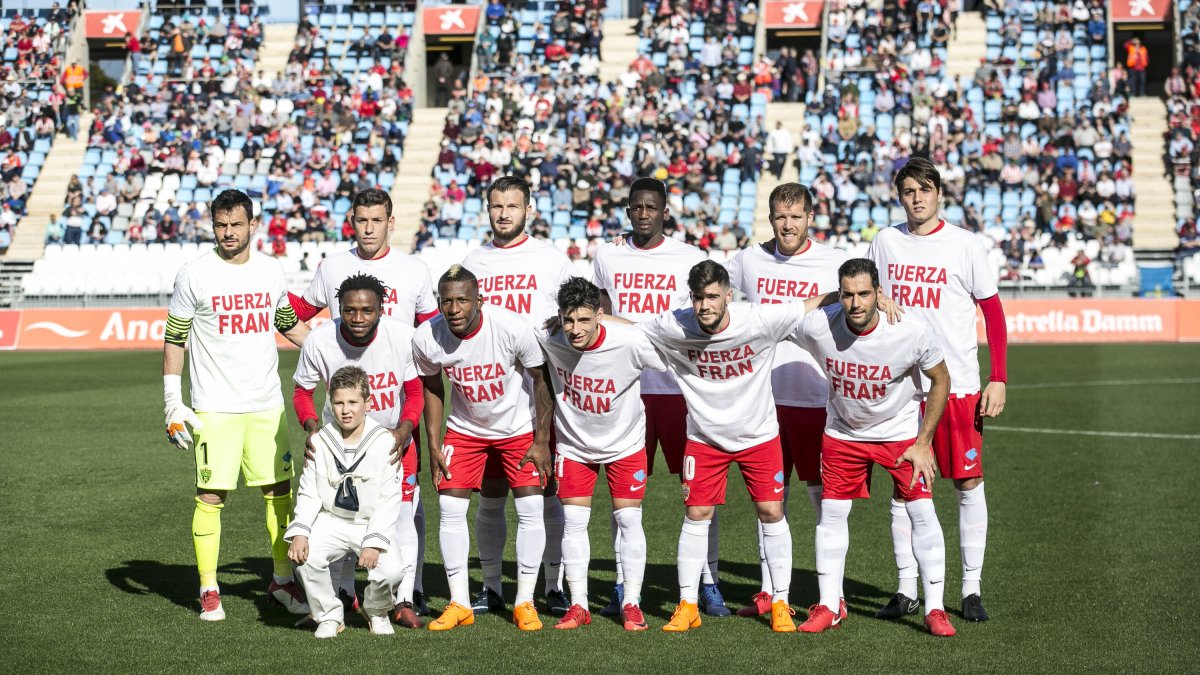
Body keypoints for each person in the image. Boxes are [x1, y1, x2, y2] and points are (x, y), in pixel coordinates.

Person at [639, 261, 834, 633]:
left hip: (758, 436)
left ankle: (779, 602)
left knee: (771, 511)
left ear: (729, 295)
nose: (704, 306)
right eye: (697, 298)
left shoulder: (759, 319)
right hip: (704, 438)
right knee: (696, 515)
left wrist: (872, 297)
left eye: (712, 297)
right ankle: (687, 605)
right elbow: (630, 329)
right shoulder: (674, 325)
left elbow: (811, 303)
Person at [867, 158, 1008, 622]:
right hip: (902, 390)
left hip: (960, 385)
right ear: (899, 196)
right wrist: (877, 297)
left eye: (924, 190)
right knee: (905, 488)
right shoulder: (885, 242)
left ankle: (970, 589)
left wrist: (999, 376)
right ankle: (907, 587)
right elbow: (868, 294)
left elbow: (993, 312)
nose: (917, 198)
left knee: (968, 483)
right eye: (908, 191)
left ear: (939, 194)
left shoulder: (964, 245)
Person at [161, 189, 310, 621]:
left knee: (279, 493)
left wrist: (330, 352)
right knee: (210, 495)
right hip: (215, 407)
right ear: (213, 226)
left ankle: (282, 581)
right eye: (221, 225)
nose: (228, 233)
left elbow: (286, 324)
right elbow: (175, 338)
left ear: (252, 225)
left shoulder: (270, 270)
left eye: (236, 225)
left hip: (267, 404)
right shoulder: (194, 273)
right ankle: (209, 587)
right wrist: (173, 402)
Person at [289, 188, 438, 616]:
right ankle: (342, 592)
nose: (369, 228)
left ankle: (408, 593)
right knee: (339, 512)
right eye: (362, 220)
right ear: (351, 221)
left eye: (378, 220)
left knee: (406, 511)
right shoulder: (333, 269)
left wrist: (411, 425)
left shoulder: (412, 273)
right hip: (340, 436)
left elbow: (427, 343)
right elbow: (293, 319)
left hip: (394, 430)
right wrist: (309, 345)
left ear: (391, 222)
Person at [791, 258, 956, 637]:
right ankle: (830, 605)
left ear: (880, 293)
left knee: (922, 512)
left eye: (864, 293)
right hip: (843, 435)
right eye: (847, 295)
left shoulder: (911, 331)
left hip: (899, 435)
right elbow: (777, 321)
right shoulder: (820, 324)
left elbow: (941, 381)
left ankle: (934, 609)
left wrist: (923, 442)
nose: (855, 303)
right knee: (831, 516)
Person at [591, 178, 719, 617]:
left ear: (665, 211)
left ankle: (708, 581)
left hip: (680, 390)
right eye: (636, 207)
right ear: (627, 211)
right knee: (624, 498)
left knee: (701, 493)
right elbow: (601, 315)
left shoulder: (688, 257)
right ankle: (624, 584)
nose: (644, 214)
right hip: (626, 391)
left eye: (652, 207)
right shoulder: (606, 254)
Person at [723, 183, 849, 618]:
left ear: (810, 217)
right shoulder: (751, 259)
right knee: (768, 500)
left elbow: (867, 299)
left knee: (821, 498)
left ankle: (830, 594)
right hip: (761, 401)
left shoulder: (834, 262)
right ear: (771, 218)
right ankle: (769, 591)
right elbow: (710, 283)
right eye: (780, 216)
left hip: (816, 396)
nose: (788, 224)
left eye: (796, 216)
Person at [413, 265, 554, 632]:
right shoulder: (427, 337)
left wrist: (541, 441)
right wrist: (433, 442)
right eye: (447, 301)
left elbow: (542, 380)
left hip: (517, 427)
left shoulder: (511, 328)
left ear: (480, 300)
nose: (454, 308)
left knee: (530, 506)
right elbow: (432, 387)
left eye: (462, 300)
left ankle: (525, 600)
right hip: (465, 429)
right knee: (448, 505)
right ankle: (460, 602)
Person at [461, 176, 576, 618]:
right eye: (496, 206)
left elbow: (573, 315)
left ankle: (553, 585)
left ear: (528, 209)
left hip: (545, 390)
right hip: (490, 397)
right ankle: (491, 588)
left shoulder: (551, 259)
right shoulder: (474, 261)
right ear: (487, 210)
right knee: (491, 493)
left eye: (512, 205)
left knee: (546, 492)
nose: (504, 213)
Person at [292, 273, 425, 628]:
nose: (358, 318)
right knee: (337, 515)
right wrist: (311, 429)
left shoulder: (401, 336)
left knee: (401, 518)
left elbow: (414, 393)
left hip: (393, 443)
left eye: (367, 310)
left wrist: (404, 429)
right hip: (337, 445)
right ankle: (341, 597)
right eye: (350, 310)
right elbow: (302, 393)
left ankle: (403, 599)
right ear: (339, 308)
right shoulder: (319, 340)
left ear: (381, 308)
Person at [537, 277, 667, 631]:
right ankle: (579, 605)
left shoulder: (631, 342)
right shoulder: (549, 336)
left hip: (625, 443)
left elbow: (665, 349)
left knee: (628, 521)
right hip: (575, 446)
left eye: (583, 319)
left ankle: (631, 602)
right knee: (574, 523)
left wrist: (615, 322)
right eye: (567, 319)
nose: (574, 329)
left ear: (599, 314)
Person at [286, 366, 406, 639]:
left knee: (392, 571)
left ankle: (375, 609)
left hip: (369, 521)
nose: (346, 410)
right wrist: (301, 532)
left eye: (353, 402)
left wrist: (374, 542)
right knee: (304, 557)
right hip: (332, 519)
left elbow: (390, 498)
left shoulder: (384, 440)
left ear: (368, 403)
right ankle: (329, 615)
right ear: (330, 403)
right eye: (338, 402)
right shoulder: (320, 440)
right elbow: (309, 492)